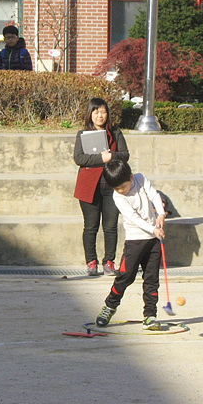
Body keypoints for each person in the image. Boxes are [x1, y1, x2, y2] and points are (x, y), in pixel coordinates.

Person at [95, 159, 167, 331]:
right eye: (116, 188)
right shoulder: (118, 197)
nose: (121, 191)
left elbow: (154, 195)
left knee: (152, 279)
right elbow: (134, 219)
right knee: (125, 276)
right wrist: (152, 229)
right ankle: (110, 306)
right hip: (135, 241)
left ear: (131, 177)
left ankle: (150, 315)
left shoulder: (141, 179)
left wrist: (161, 214)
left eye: (123, 187)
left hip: (153, 241)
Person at [73, 98, 129, 277]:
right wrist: (100, 159)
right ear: (90, 114)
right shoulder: (83, 133)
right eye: (96, 112)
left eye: (103, 111)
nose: (100, 115)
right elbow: (79, 158)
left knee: (111, 226)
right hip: (89, 185)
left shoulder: (115, 132)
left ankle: (109, 261)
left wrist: (111, 156)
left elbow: (125, 155)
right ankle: (91, 262)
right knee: (91, 226)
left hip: (111, 185)